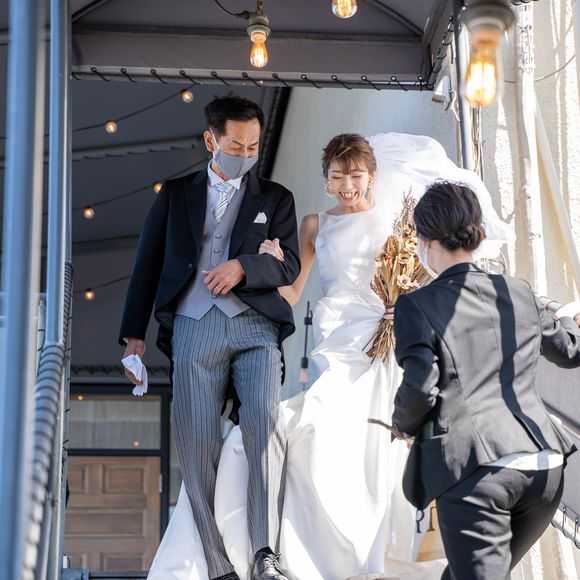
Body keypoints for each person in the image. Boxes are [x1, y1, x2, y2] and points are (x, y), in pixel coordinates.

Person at [119, 94, 300, 580]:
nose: (245, 154)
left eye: (253, 146)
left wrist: (244, 266)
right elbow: (147, 263)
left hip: (255, 325)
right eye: (235, 145)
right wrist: (133, 336)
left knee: (265, 424)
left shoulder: (276, 198)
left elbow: (289, 264)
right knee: (198, 444)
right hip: (193, 327)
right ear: (210, 140)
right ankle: (218, 566)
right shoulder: (176, 194)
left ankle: (265, 553)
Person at [391, 180, 580, 580]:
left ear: (425, 241)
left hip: (478, 473)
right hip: (545, 467)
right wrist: (565, 319)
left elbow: (420, 388)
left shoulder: (416, 306)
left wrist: (402, 425)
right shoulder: (519, 292)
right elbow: (569, 351)